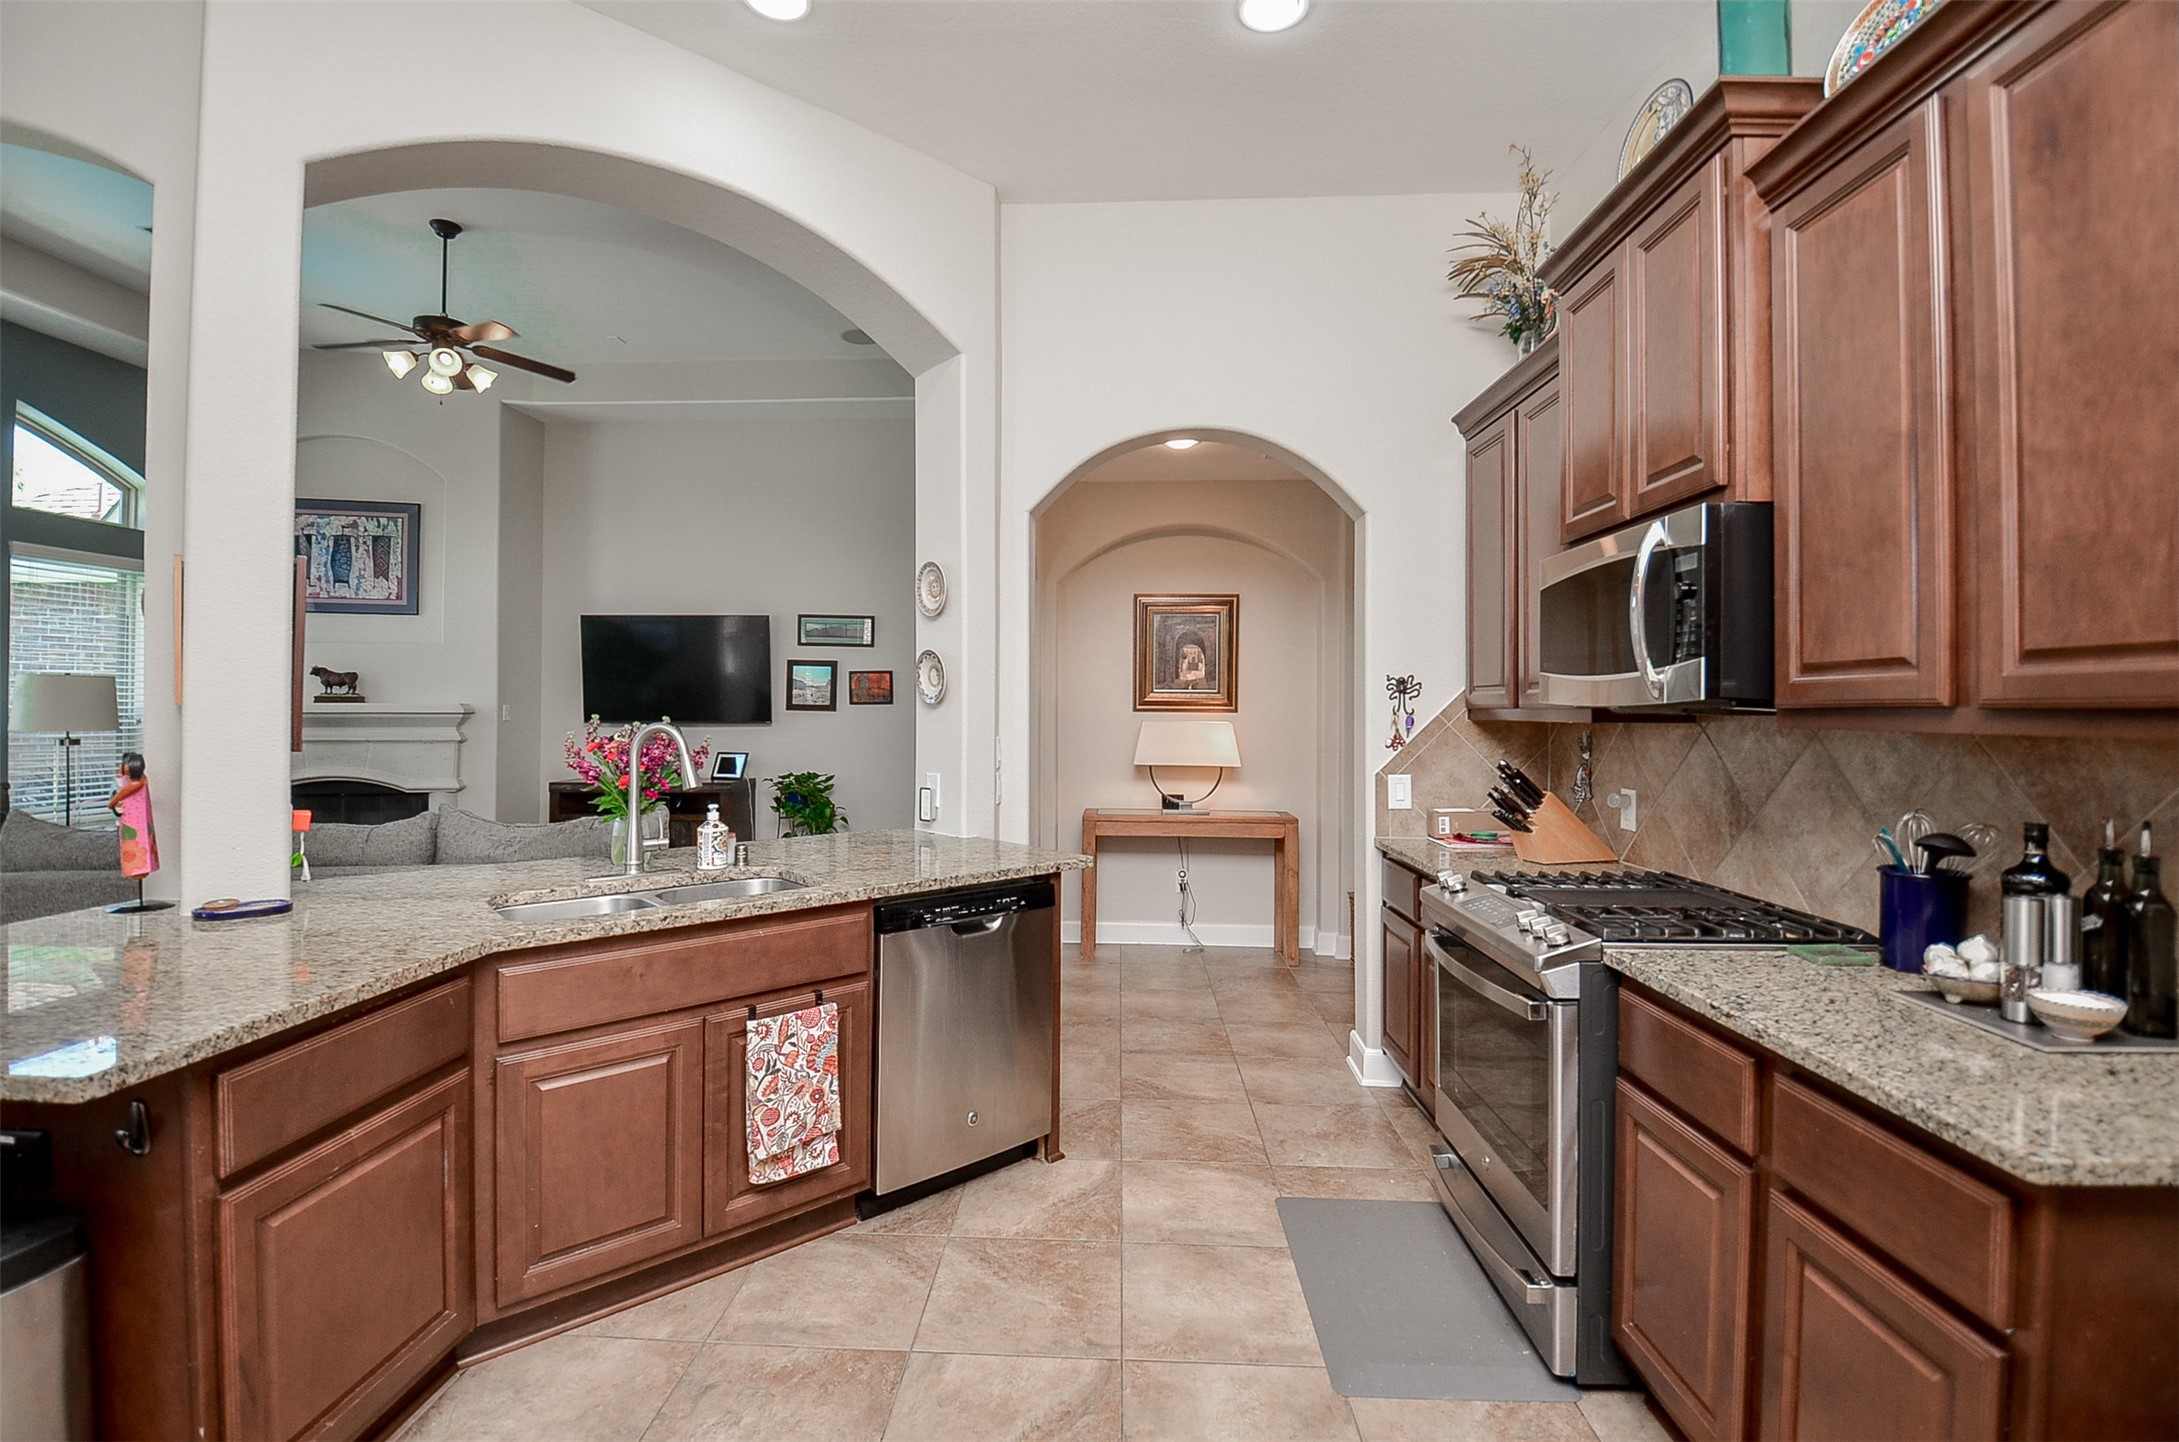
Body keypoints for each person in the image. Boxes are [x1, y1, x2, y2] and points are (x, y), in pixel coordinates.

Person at [105, 751, 160, 881]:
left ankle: (138, 870)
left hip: (132, 820)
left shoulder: (135, 784)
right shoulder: (142, 779)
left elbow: (117, 797)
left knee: (135, 847)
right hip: (137, 820)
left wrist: (112, 803)